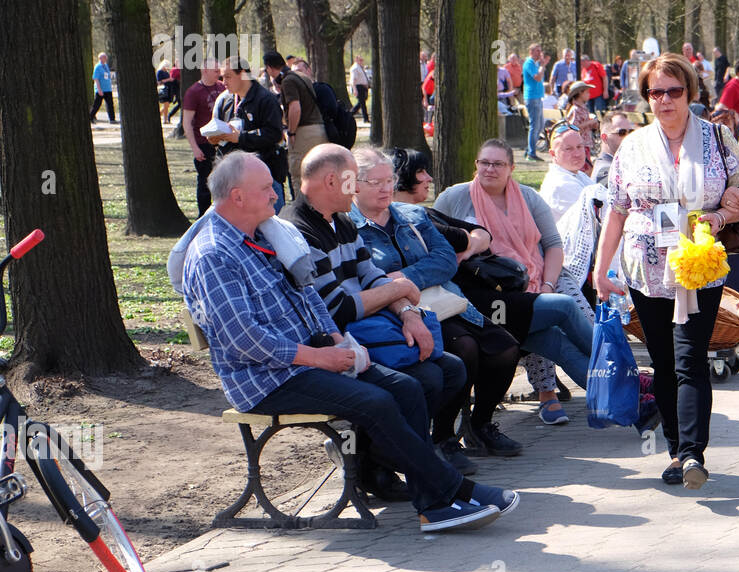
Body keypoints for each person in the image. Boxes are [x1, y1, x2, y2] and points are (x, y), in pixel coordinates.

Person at [181, 151, 518, 533]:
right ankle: (453, 491)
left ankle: (433, 505)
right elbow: (244, 340)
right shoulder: (215, 254)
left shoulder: (264, 235)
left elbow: (309, 300)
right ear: (238, 196)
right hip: (266, 379)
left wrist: (342, 343)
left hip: (309, 358)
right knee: (377, 402)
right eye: (266, 188)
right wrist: (321, 358)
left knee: (405, 388)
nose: (276, 194)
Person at [594, 53, 739, 489]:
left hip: (698, 265)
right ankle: (673, 449)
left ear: (690, 92)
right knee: (664, 363)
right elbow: (615, 211)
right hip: (645, 270)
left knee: (690, 360)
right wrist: (600, 268)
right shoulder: (632, 146)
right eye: (655, 92)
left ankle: (692, 454)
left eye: (674, 91)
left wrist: (721, 216)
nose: (664, 100)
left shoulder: (718, 137)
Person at [284, 144, 478, 474]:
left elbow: (372, 277)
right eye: (354, 181)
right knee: (424, 378)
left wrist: (407, 312)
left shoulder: (340, 221)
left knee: (452, 368)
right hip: (334, 342)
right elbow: (337, 308)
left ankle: (388, 459)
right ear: (333, 181)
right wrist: (400, 290)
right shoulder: (299, 231)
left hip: (370, 329)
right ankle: (398, 467)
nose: (358, 189)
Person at [351, 149, 524, 458]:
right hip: (400, 314)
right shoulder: (349, 229)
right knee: (464, 349)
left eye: (389, 180)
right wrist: (398, 287)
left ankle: (480, 425)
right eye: (375, 181)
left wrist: (403, 277)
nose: (385, 188)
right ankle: (443, 437)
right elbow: (366, 278)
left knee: (506, 347)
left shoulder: (412, 215)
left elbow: (445, 260)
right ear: (354, 184)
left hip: (446, 302)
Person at [434, 139, 594, 425]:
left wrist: (546, 284)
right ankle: (604, 383)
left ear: (511, 168)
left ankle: (625, 393)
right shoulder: (453, 198)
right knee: (562, 309)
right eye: (484, 163)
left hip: (533, 277)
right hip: (483, 296)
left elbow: (553, 244)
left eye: (498, 164)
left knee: (559, 334)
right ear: (476, 165)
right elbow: (438, 243)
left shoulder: (528, 197)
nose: (490, 169)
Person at [209, 58, 289, 212]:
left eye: (228, 76)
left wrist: (241, 137)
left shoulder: (265, 99)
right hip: (231, 180)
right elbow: (217, 126)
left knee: (269, 228)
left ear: (243, 74)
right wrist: (215, 138)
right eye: (222, 77)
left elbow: (274, 133)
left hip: (264, 178)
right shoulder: (224, 100)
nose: (223, 82)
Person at [263, 50, 326, 194]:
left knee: (299, 174)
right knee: (319, 173)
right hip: (319, 129)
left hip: (304, 132)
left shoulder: (288, 80)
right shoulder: (301, 76)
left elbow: (295, 108)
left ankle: (302, 212)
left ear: (269, 68)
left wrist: (291, 131)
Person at [181, 59, 226, 216]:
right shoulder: (194, 92)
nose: (219, 74)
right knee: (205, 183)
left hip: (223, 142)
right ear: (205, 70)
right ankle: (204, 216)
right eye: (215, 71)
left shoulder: (222, 87)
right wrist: (195, 148)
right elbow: (186, 123)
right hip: (203, 144)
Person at [540, 125, 594, 222]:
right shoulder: (560, 184)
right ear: (553, 154)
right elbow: (600, 217)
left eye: (579, 147)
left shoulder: (578, 175)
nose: (577, 154)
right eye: (568, 149)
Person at [591, 112, 635, 186]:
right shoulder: (605, 171)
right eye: (622, 132)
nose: (628, 137)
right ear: (604, 138)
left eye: (631, 132)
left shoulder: (617, 164)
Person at [563, 80, 600, 164]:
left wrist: (593, 125)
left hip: (585, 143)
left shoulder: (584, 108)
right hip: (578, 144)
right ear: (580, 93)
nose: (589, 94)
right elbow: (572, 127)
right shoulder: (575, 109)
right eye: (587, 92)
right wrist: (589, 123)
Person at [522, 43, 545, 162]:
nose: (539, 53)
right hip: (532, 98)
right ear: (531, 52)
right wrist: (542, 66)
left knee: (540, 126)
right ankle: (531, 153)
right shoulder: (529, 63)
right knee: (534, 126)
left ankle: (529, 150)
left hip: (538, 97)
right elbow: (537, 77)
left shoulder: (536, 64)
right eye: (537, 51)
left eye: (540, 51)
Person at [90, 52, 116, 123]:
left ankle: (112, 119)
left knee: (110, 104)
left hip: (108, 89)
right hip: (101, 90)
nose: (106, 58)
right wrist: (99, 89)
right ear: (100, 58)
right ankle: (91, 117)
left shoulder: (106, 66)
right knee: (97, 105)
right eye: (104, 57)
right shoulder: (98, 67)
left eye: (106, 57)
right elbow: (96, 79)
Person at [349, 55, 370, 122]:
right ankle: (365, 118)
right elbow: (353, 80)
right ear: (356, 60)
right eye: (360, 60)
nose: (362, 61)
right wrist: (355, 89)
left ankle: (349, 114)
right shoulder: (355, 68)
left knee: (360, 103)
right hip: (358, 87)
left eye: (362, 60)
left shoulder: (360, 67)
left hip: (362, 87)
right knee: (362, 103)